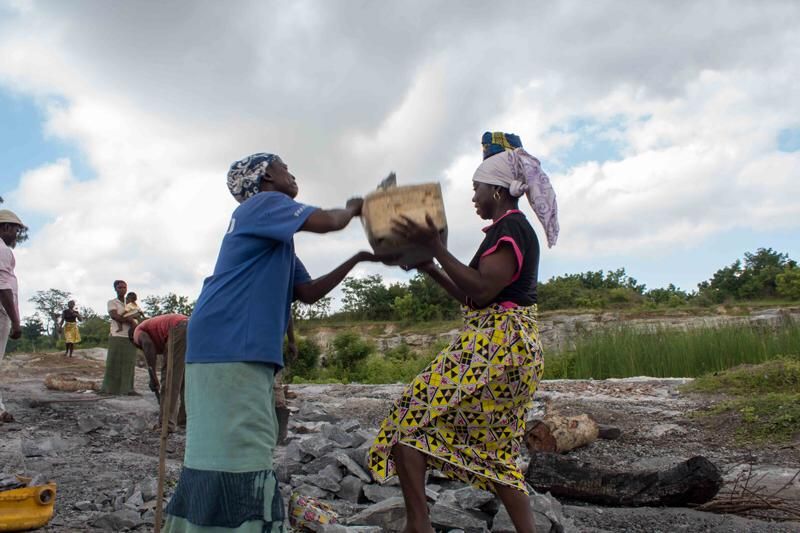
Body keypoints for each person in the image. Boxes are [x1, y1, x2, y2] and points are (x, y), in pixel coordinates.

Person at [163, 152, 391, 532]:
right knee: (242, 445)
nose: (292, 173)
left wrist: (359, 257)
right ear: (267, 176)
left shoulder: (274, 237)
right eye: (285, 167)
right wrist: (355, 208)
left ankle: (206, 523)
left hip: (222, 342)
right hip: (230, 342)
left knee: (226, 445)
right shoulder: (264, 204)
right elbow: (330, 221)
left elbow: (307, 291)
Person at [367, 132, 559, 533]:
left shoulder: (513, 230)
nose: (473, 198)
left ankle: (418, 524)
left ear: (498, 190)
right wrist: (429, 265)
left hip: (499, 345)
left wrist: (435, 246)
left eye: (477, 189)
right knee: (496, 450)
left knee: (408, 417)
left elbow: (483, 288)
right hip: (509, 346)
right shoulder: (504, 231)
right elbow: (472, 296)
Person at [129, 313, 189, 432]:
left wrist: (153, 376)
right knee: (183, 379)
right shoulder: (154, 329)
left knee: (169, 379)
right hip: (190, 325)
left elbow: (147, 344)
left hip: (178, 327)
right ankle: (183, 421)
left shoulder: (137, 332)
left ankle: (166, 424)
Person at [0, 210, 25, 424]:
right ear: (6, 227)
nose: (16, 235)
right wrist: (16, 321)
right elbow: (3, 287)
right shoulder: (2, 249)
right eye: (15, 230)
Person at [100, 280, 140, 395]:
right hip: (117, 335)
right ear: (115, 289)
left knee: (129, 364)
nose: (122, 289)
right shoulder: (112, 302)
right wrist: (129, 320)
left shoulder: (131, 303)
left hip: (130, 336)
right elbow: (114, 315)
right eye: (120, 287)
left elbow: (137, 314)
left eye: (124, 287)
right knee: (114, 362)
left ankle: (127, 389)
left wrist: (132, 320)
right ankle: (110, 389)